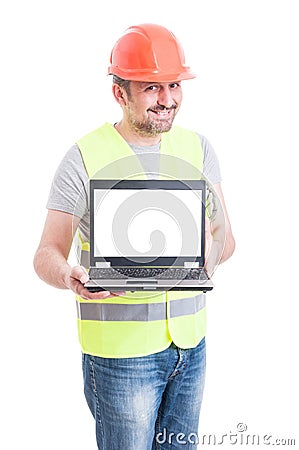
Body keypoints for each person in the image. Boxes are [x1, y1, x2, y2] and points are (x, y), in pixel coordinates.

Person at [34, 23, 235, 450]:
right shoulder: (84, 157)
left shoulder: (198, 149)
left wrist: (209, 252)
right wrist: (69, 274)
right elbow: (46, 253)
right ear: (119, 93)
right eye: (151, 88)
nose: (168, 100)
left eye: (174, 85)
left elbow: (226, 238)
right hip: (120, 358)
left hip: (191, 348)